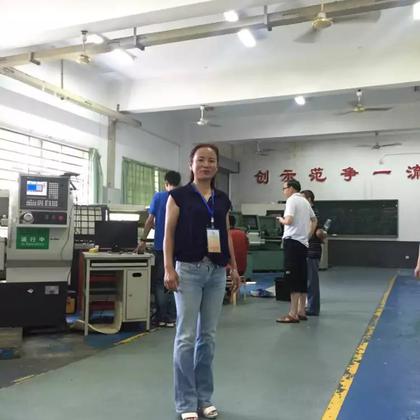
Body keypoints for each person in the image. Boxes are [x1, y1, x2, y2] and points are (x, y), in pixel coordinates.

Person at [163, 143, 240, 420]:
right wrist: (168, 268)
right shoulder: (179, 196)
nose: (206, 165)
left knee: (207, 337)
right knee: (185, 337)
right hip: (188, 271)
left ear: (217, 166)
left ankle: (204, 398)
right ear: (191, 164)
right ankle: (186, 402)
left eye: (211, 160)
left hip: (216, 272)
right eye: (201, 160)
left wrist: (234, 266)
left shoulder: (222, 199)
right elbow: (168, 234)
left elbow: (226, 234)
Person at [135, 170, 181, 327]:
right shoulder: (182, 198)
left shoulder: (159, 197)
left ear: (166, 183)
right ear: (179, 183)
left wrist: (143, 240)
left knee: (161, 282)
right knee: (177, 280)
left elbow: (150, 220)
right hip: (179, 248)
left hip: (162, 246)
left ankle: (162, 317)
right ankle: (173, 317)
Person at [276, 180, 317, 323]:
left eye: (284, 188)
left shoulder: (291, 200)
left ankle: (292, 314)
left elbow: (289, 220)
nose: (284, 191)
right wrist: (308, 235)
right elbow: (314, 220)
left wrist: (281, 220)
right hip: (303, 243)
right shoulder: (305, 201)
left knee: (292, 276)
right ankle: (301, 311)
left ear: (292, 188)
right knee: (301, 276)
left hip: (292, 242)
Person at [301, 190, 327, 316]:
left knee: (311, 281)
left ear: (309, 199)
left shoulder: (312, 213)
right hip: (309, 249)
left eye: (302, 198)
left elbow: (313, 232)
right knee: (308, 280)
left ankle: (312, 308)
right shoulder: (310, 212)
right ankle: (309, 306)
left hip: (312, 250)